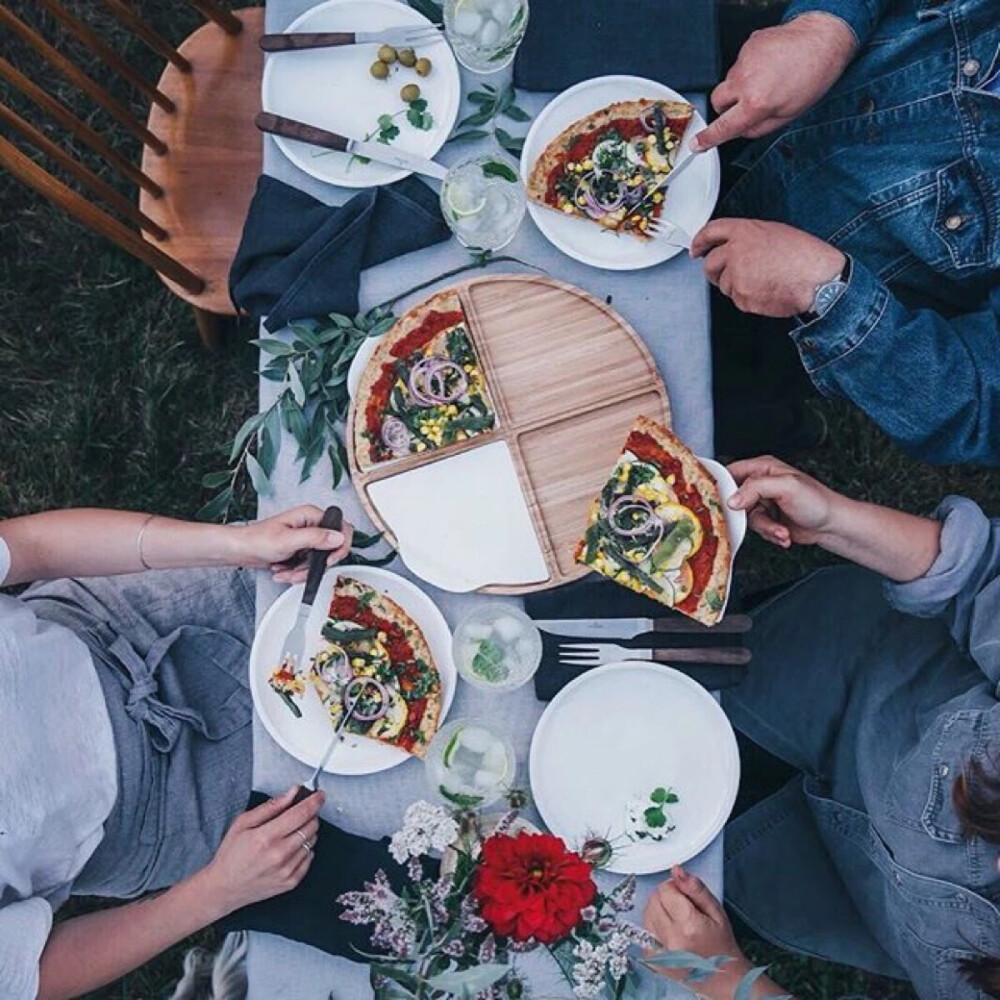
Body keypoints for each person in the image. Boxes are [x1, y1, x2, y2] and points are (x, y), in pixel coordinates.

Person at [641, 456, 1000, 999]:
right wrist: (832, 517)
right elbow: (981, 577)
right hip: (842, 671)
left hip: (811, 877)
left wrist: (722, 978)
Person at [0, 503, 354, 999]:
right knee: (382, 815)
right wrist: (217, 891)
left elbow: (30, 547)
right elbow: (29, 974)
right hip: (155, 815)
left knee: (358, 564)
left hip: (112, 620)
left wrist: (237, 544)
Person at [695, 0, 1000, 465]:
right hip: (749, 71)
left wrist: (825, 292)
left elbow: (979, 406)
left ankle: (785, 431)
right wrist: (825, 26)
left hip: (781, 310)